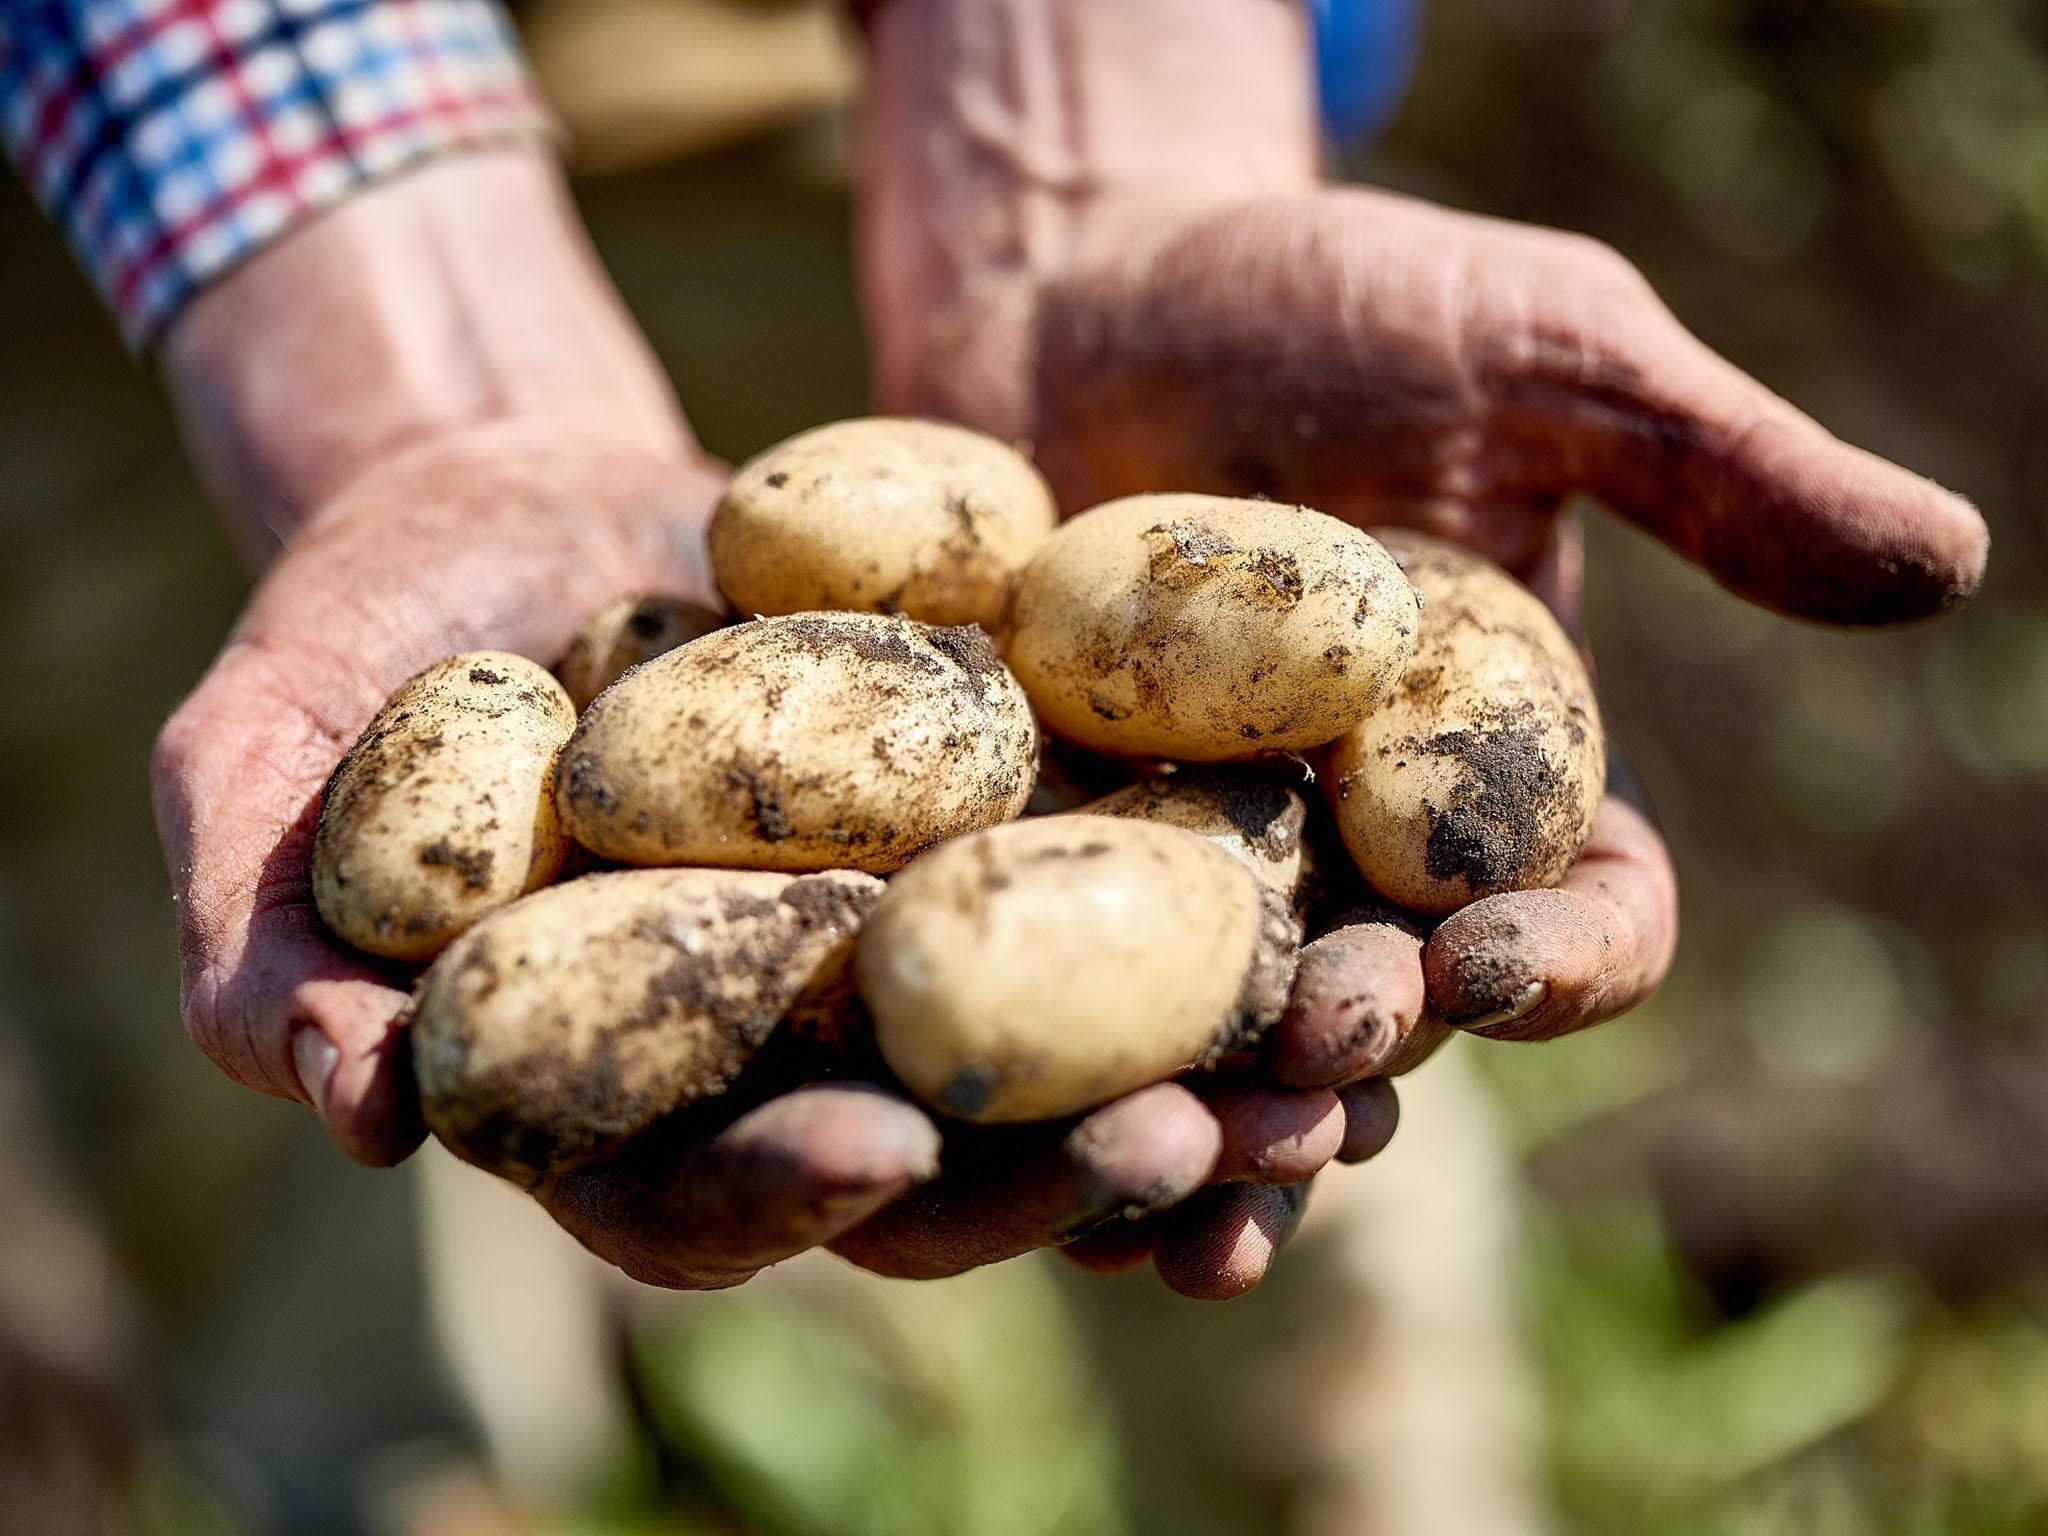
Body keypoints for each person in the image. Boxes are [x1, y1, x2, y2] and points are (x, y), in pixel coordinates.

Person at [1, 0, 1985, 1298]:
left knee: (1311, 1168)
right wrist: (419, 409)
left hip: (872, 85)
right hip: (185, 193)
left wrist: (1094, 152)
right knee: (275, 1182)